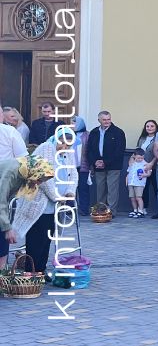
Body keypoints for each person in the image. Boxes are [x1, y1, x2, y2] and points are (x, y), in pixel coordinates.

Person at [11, 140, 75, 273]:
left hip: (54, 207)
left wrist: (70, 192)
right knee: (36, 241)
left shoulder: (66, 153)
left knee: (47, 240)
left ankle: (40, 271)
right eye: (62, 143)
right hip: (38, 206)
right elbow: (44, 179)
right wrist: (57, 197)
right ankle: (31, 272)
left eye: (68, 145)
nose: (65, 147)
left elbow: (73, 174)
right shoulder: (45, 149)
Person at [0, 154, 56, 263]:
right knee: (2, 243)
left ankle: (2, 276)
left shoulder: (25, 172)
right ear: (36, 172)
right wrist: (7, 228)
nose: (39, 183)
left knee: (3, 245)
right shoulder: (12, 172)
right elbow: (1, 200)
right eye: (40, 180)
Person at [85, 110, 126, 212]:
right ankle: (101, 210)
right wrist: (95, 162)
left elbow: (119, 151)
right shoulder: (94, 132)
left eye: (108, 119)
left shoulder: (118, 132)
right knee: (100, 189)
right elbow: (89, 149)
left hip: (113, 166)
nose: (107, 121)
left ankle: (111, 211)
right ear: (99, 120)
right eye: (104, 120)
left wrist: (105, 162)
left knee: (112, 189)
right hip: (98, 166)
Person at [133, 119, 158, 216]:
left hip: (154, 167)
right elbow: (137, 151)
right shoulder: (142, 138)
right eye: (147, 126)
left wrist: (151, 164)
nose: (150, 128)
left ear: (156, 127)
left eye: (152, 126)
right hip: (142, 167)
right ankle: (143, 208)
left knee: (157, 188)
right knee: (144, 188)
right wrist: (132, 161)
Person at [125, 148, 149, 217]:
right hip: (131, 183)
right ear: (134, 156)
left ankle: (141, 211)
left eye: (142, 158)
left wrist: (144, 175)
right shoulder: (132, 163)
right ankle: (135, 210)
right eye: (138, 158)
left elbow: (149, 173)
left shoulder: (145, 164)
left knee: (139, 197)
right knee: (132, 198)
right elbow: (129, 172)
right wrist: (127, 180)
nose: (140, 159)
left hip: (139, 183)